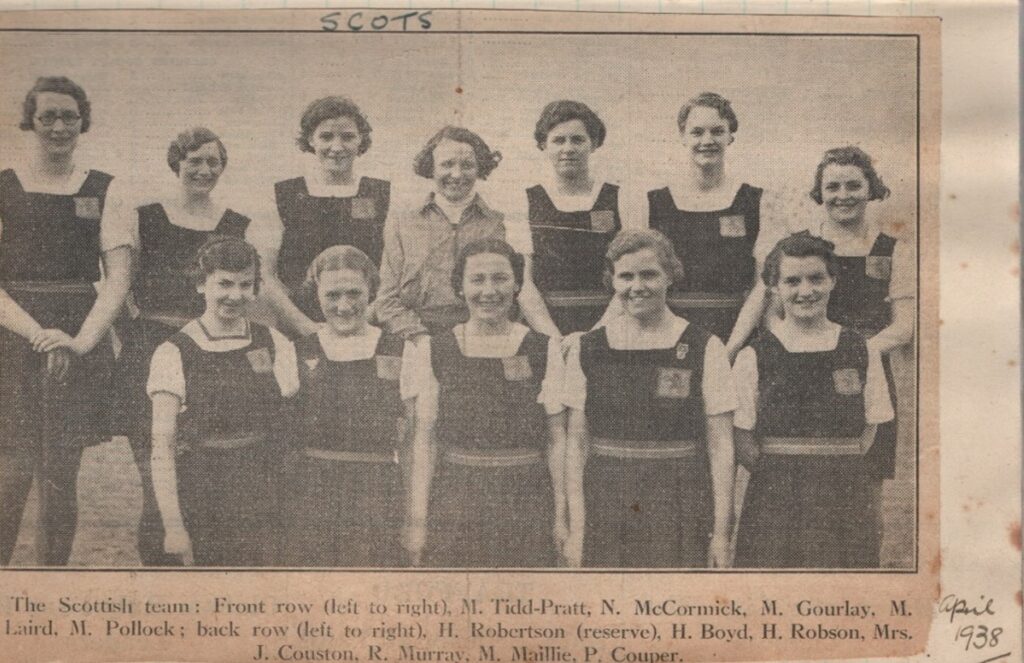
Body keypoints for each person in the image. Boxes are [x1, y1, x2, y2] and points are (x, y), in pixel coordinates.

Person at [0, 76, 131, 565]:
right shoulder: (3, 185)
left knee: (61, 474)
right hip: (11, 335)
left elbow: (117, 280)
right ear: (30, 121)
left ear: (83, 121)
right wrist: (38, 335)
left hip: (79, 336)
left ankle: (51, 585)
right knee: (10, 471)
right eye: (47, 116)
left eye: (68, 117)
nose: (59, 127)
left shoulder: (107, 189)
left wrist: (78, 341)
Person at [111, 127, 252, 566]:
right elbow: (120, 289)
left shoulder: (236, 224)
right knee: (157, 481)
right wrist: (137, 340)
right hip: (150, 352)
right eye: (195, 160)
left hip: (213, 359)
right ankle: (160, 582)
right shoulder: (146, 217)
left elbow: (241, 296)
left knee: (200, 479)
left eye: (213, 162)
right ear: (176, 163)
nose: (204, 170)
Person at [562, 229, 736, 568]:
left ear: (670, 276)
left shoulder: (704, 347)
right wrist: (578, 529)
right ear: (611, 281)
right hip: (607, 499)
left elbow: (721, 447)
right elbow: (576, 445)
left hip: (679, 499)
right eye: (625, 276)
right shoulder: (588, 347)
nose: (637, 286)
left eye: (649, 274)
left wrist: (722, 534)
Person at [733, 234, 894, 568]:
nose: (805, 291)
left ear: (833, 280)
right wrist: (781, 472)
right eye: (792, 281)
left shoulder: (860, 349)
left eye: (816, 278)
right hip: (775, 496)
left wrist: (835, 463)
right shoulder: (755, 354)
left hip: (845, 493)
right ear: (774, 287)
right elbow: (742, 437)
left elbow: (871, 426)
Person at [404, 238, 567, 567]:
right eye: (477, 280)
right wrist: (419, 520)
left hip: (527, 500)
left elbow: (557, 441)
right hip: (456, 501)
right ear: (460, 287)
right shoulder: (435, 350)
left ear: (517, 284)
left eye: (500, 278)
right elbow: (425, 441)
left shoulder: (544, 349)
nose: (489, 291)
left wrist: (560, 516)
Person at [149, 237, 298, 566]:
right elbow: (162, 447)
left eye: (246, 285)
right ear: (202, 284)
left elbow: (291, 421)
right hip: (203, 490)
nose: (235, 295)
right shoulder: (174, 351)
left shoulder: (274, 341)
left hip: (263, 487)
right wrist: (174, 527)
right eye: (225, 284)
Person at [283, 245, 408, 567]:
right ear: (317, 294)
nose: (344, 306)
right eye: (332, 295)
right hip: (312, 494)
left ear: (372, 291)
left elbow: (417, 439)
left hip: (378, 494)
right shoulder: (294, 352)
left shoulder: (401, 350)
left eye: (354, 293)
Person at [645, 92, 796, 357]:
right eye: (697, 132)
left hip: (736, 332)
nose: (707, 141)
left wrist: (733, 347)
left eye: (717, 131)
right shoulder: (655, 203)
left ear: (730, 136)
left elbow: (764, 283)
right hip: (669, 332)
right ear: (682, 136)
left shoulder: (756, 201)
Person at [376, 125, 559, 342]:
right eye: (447, 164)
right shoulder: (402, 223)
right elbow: (386, 302)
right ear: (431, 168)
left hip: (489, 336)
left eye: (467, 165)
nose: (457, 174)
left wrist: (556, 341)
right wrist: (422, 340)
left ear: (479, 168)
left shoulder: (503, 220)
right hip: (419, 337)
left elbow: (525, 290)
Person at [806, 146, 914, 487]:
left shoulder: (894, 249)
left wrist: (859, 351)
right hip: (810, 365)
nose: (843, 196)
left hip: (871, 373)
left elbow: (904, 326)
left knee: (868, 488)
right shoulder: (802, 247)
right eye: (832, 187)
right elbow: (777, 315)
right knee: (809, 478)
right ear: (820, 193)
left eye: (853, 185)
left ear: (871, 188)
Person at [256, 97, 391, 337]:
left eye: (347, 136)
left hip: (366, 327)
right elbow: (265, 274)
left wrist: (361, 322)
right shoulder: (282, 194)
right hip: (299, 330)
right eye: (326, 136)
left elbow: (394, 274)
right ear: (310, 139)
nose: (337, 147)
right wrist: (304, 327)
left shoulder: (383, 194)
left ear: (361, 139)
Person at [525, 100, 626, 334]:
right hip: (546, 327)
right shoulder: (529, 200)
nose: (568, 148)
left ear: (593, 144)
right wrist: (553, 338)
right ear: (543, 145)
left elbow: (630, 276)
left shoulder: (618, 197)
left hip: (609, 325)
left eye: (578, 139)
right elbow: (525, 285)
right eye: (558, 140)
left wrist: (597, 334)